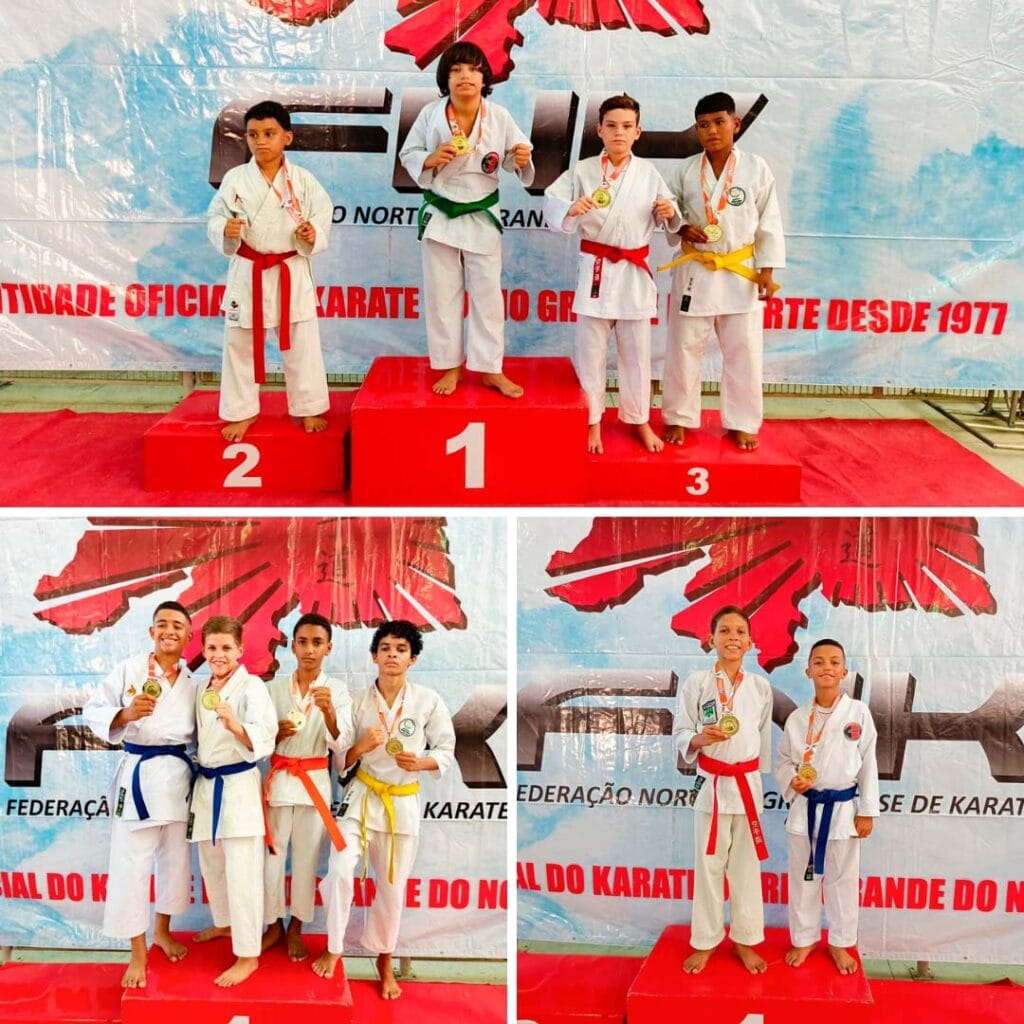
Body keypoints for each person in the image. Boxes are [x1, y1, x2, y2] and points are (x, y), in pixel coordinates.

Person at [312, 620, 455, 999]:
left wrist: (420, 762)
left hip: (401, 802)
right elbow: (341, 757)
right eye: (386, 648)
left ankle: (384, 959)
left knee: (392, 888)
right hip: (361, 798)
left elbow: (446, 750)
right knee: (340, 870)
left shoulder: (427, 700)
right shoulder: (358, 701)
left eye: (401, 649)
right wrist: (360, 746)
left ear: (413, 659)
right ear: (374, 656)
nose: (392, 655)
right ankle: (334, 947)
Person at [544, 94, 681, 455]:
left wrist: (668, 211)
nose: (619, 132)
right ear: (599, 130)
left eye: (627, 126)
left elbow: (670, 214)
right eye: (612, 126)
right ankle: (591, 420)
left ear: (638, 132)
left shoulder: (648, 174)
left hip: (634, 273)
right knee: (590, 352)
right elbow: (552, 204)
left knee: (637, 353)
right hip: (597, 269)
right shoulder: (582, 171)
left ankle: (638, 419)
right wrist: (570, 208)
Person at [399, 42, 534, 398]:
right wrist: (430, 158)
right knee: (442, 294)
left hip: (482, 214)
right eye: (456, 70)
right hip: (441, 212)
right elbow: (408, 153)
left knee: (488, 296)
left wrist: (519, 158)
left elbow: (513, 158)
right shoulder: (430, 114)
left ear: (484, 77)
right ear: (445, 78)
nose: (465, 76)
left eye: (473, 69)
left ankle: (491, 369)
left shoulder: (499, 116)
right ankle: (450, 366)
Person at [82, 601, 198, 989]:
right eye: (162, 624)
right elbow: (93, 709)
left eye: (177, 625)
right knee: (132, 865)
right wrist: (126, 714)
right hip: (139, 778)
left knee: (175, 863)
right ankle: (137, 951)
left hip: (178, 779)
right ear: (151, 632)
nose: (169, 630)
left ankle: (162, 931)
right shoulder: (129, 670)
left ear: (188, 635)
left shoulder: (193, 683)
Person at [661, 92, 785, 451]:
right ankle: (679, 417)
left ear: (736, 124)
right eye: (703, 125)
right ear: (696, 130)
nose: (712, 130)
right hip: (696, 269)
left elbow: (770, 221)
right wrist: (681, 227)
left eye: (719, 122)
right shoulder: (685, 170)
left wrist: (767, 270)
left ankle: (742, 422)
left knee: (744, 351)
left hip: (739, 271)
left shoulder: (756, 169)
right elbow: (668, 211)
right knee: (683, 348)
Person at [207, 100, 332, 441]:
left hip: (290, 267)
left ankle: (309, 407)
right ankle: (241, 411)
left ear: (287, 137)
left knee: (302, 342)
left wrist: (313, 233)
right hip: (249, 269)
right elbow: (214, 217)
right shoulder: (236, 179)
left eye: (269, 133)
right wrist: (225, 229)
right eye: (253, 135)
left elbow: (322, 215)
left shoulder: (303, 180)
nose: (260, 141)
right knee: (241, 343)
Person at [672, 605, 772, 974]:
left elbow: (762, 741)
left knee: (745, 869)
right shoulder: (697, 683)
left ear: (750, 642)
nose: (733, 637)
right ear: (710, 639)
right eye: (725, 631)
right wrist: (698, 739)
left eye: (740, 632)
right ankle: (705, 941)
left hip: (746, 786)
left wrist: (758, 781)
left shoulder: (760, 687)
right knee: (708, 868)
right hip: (710, 786)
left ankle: (745, 940)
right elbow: (681, 731)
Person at [776, 639, 879, 974]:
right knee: (802, 878)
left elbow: (869, 763)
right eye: (818, 662)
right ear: (808, 671)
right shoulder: (797, 718)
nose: (827, 668)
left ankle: (840, 942)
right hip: (805, 809)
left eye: (834, 662)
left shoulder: (858, 714)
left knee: (842, 880)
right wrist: (792, 779)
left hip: (843, 810)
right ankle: (804, 938)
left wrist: (867, 810)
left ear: (844, 671)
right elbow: (783, 760)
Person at [189, 615, 277, 987]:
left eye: (226, 647)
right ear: (203, 650)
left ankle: (248, 954)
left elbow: (266, 735)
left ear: (240, 650)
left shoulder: (252, 686)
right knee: (212, 864)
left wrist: (235, 725)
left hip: (238, 785)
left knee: (243, 872)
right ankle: (225, 924)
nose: (219, 654)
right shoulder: (200, 688)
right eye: (212, 647)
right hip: (207, 784)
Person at [262, 613, 353, 961]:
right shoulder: (273, 689)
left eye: (317, 643)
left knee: (306, 861)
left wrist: (329, 712)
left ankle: (296, 927)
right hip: (280, 779)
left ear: (328, 648)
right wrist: (275, 734)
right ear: (293, 646)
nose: (309, 650)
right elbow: (257, 740)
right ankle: (273, 925)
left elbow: (341, 742)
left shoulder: (337, 691)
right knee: (271, 860)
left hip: (313, 782)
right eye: (303, 642)